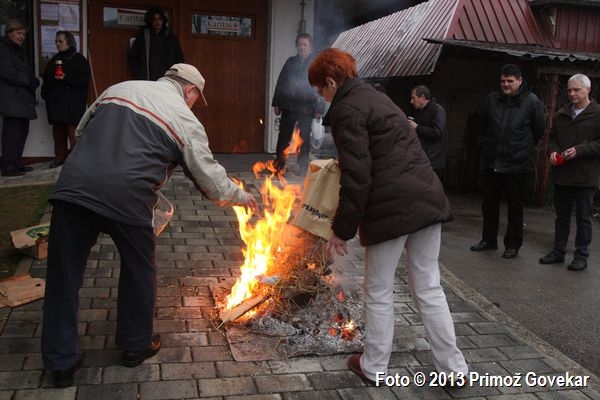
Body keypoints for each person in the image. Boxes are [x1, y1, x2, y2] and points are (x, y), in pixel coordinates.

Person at [41, 63, 258, 388]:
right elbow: (210, 181)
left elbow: (83, 132)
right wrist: (242, 197)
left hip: (74, 187)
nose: (194, 105)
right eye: (196, 99)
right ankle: (135, 345)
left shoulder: (117, 89)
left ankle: (61, 363)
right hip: (128, 196)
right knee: (139, 269)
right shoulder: (184, 118)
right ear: (189, 90)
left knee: (63, 275)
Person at [308, 48, 468, 387]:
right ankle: (454, 370)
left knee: (379, 289)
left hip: (391, 206)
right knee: (429, 286)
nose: (322, 97)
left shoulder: (347, 109)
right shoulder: (378, 98)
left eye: (320, 89)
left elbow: (358, 176)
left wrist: (342, 230)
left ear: (331, 81)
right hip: (426, 196)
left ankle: (374, 367)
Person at [470, 64, 546, 259]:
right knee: (489, 204)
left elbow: (539, 130)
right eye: (503, 81)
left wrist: (522, 148)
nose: (506, 84)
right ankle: (488, 240)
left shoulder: (532, 102)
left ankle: (512, 245)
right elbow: (483, 126)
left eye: (510, 81)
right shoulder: (491, 99)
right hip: (492, 161)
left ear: (520, 81)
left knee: (515, 206)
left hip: (517, 164)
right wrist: (485, 146)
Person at [539, 74, 600, 271]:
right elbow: (552, 138)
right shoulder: (561, 114)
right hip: (563, 174)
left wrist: (580, 150)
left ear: (588, 90)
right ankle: (558, 252)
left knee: (584, 218)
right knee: (562, 217)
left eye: (577, 90)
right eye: (569, 90)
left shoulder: (597, 114)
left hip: (585, 176)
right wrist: (553, 152)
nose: (572, 93)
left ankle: (581, 256)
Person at [272, 33, 324, 176]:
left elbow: (321, 86)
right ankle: (279, 165)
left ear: (310, 47)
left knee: (304, 138)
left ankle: (302, 167)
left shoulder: (316, 64)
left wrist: (319, 108)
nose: (302, 47)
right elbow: (281, 82)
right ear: (297, 46)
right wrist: (276, 103)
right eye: (300, 45)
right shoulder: (290, 62)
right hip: (288, 106)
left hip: (306, 107)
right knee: (284, 137)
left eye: (305, 45)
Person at [41, 30, 91, 169]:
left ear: (68, 42)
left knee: (73, 133)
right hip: (56, 103)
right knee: (58, 133)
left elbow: (84, 80)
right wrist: (45, 93)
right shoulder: (54, 60)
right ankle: (59, 158)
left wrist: (66, 78)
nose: (57, 44)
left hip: (72, 103)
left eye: (60, 41)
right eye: (56, 41)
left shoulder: (79, 60)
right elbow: (46, 79)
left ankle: (76, 161)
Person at [0, 19, 39, 177]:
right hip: (11, 98)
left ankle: (15, 164)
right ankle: (8, 167)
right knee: (12, 133)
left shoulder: (17, 49)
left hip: (22, 98)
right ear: (9, 33)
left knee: (22, 132)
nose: (22, 37)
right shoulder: (3, 48)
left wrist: (33, 79)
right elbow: (7, 72)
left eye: (23, 34)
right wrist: (28, 81)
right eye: (18, 33)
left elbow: (24, 71)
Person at [128, 7, 184, 81]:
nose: (157, 22)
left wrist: (175, 75)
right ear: (150, 21)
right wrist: (139, 75)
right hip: (148, 79)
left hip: (167, 79)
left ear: (163, 20)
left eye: (160, 19)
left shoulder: (170, 37)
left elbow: (179, 58)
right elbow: (133, 57)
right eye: (154, 20)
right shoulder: (143, 36)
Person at [408, 84, 448, 176]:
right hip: (422, 159)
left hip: (433, 162)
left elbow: (437, 132)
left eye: (413, 98)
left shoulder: (437, 110)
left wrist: (417, 127)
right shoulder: (419, 111)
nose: (411, 101)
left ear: (422, 97)